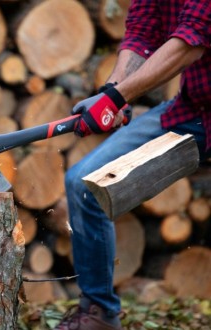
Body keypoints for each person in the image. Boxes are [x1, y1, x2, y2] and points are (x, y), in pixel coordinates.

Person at [55, 1, 211, 329]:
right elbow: (142, 34)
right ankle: (98, 313)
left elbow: (190, 43)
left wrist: (117, 99)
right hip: (195, 111)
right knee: (84, 184)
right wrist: (113, 92)